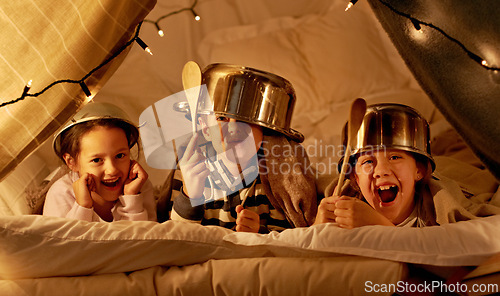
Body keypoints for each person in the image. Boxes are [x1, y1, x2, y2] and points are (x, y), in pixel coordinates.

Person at [169, 63, 317, 233]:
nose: (233, 128)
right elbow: (175, 238)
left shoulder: (278, 177)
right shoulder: (188, 168)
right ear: (204, 128)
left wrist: (258, 233)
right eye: (222, 118)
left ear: (265, 131)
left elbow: (291, 239)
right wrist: (190, 196)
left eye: (245, 120)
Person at [315, 103, 435, 228]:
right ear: (356, 178)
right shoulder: (340, 198)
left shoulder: (440, 210)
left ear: (419, 170)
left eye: (394, 157)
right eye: (368, 161)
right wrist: (317, 227)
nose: (381, 171)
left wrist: (379, 224)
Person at [43, 102, 156, 222]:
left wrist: (132, 199)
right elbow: (62, 240)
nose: (112, 169)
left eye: (120, 155)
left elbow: (146, 238)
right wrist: (82, 207)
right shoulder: (61, 193)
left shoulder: (139, 185)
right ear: (71, 162)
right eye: (96, 160)